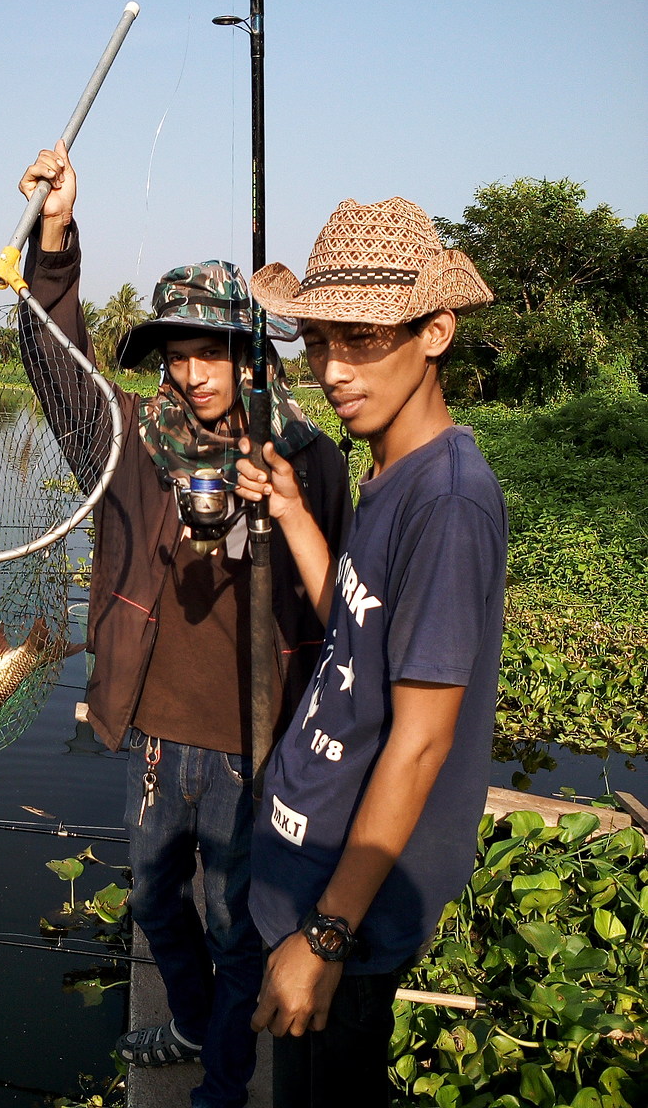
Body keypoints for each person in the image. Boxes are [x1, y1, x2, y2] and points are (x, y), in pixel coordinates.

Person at [15, 143, 350, 1108]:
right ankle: (201, 1027)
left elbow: (340, 611)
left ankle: (225, 1083)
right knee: (160, 906)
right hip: (157, 738)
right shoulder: (128, 446)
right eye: (178, 354)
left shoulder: (310, 459)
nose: (195, 373)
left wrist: (279, 502)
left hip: (255, 743)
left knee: (237, 921)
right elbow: (55, 364)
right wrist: (56, 234)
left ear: (254, 353)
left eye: (214, 350)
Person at [235, 195, 508, 1107]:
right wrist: (292, 512)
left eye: (360, 339)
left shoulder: (450, 501)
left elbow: (423, 741)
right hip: (303, 857)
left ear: (435, 333)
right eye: (317, 341)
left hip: (345, 904)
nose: (332, 370)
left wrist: (324, 939)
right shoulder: (386, 466)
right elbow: (353, 622)